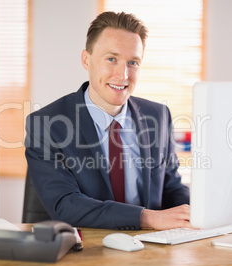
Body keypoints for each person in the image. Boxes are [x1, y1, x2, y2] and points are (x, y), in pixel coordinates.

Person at [25, 11, 190, 230]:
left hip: (150, 250)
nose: (123, 75)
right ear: (86, 60)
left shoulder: (158, 116)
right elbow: (66, 204)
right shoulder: (47, 125)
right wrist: (148, 218)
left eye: (133, 62)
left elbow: (171, 188)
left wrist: (200, 211)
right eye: (112, 59)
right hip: (86, 252)